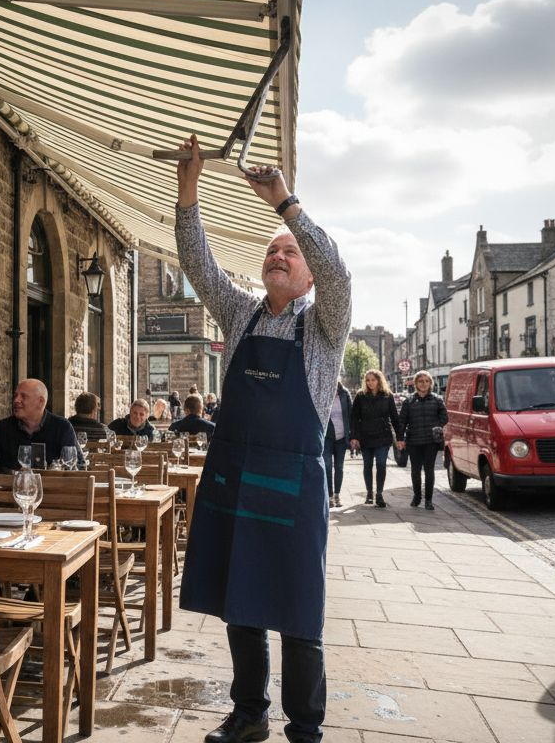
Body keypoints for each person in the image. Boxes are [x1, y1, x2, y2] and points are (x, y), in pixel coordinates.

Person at [174, 134, 351, 743]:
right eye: (273, 251)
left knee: (299, 614)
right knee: (239, 604)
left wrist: (286, 205)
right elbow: (197, 264)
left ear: (306, 277)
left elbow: (337, 271)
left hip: (293, 492)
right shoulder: (240, 312)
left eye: (290, 253)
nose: (280, 255)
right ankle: (249, 714)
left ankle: (305, 727)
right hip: (233, 482)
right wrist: (189, 187)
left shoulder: (324, 327)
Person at [0, 378, 82, 471]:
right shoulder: (3, 427)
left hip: (52, 488)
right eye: (15, 395)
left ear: (40, 402)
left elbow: (78, 465)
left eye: (23, 396)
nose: (16, 400)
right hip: (10, 488)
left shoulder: (62, 427)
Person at [350, 369, 405, 507]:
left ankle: (379, 494)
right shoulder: (360, 396)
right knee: (367, 465)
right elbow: (354, 418)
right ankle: (369, 493)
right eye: (368, 380)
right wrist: (354, 437)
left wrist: (399, 437)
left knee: (381, 464)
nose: (370, 383)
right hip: (365, 436)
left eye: (373, 380)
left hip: (383, 436)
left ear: (379, 380)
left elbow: (395, 418)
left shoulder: (388, 396)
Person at [401, 371, 448, 510]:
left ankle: (428, 500)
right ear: (416, 384)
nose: (423, 383)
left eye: (427, 381)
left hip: (430, 442)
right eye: (420, 381)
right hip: (414, 441)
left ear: (430, 383)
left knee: (429, 470)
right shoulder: (408, 401)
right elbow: (402, 421)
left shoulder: (437, 400)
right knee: (415, 471)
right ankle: (416, 497)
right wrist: (400, 438)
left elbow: (445, 418)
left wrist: (436, 426)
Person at [324, 381, 352, 508]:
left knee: (339, 467)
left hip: (342, 437)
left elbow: (351, 415)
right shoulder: (323, 393)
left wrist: (353, 436)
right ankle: (329, 496)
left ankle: (337, 495)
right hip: (327, 437)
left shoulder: (345, 394)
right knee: (328, 466)